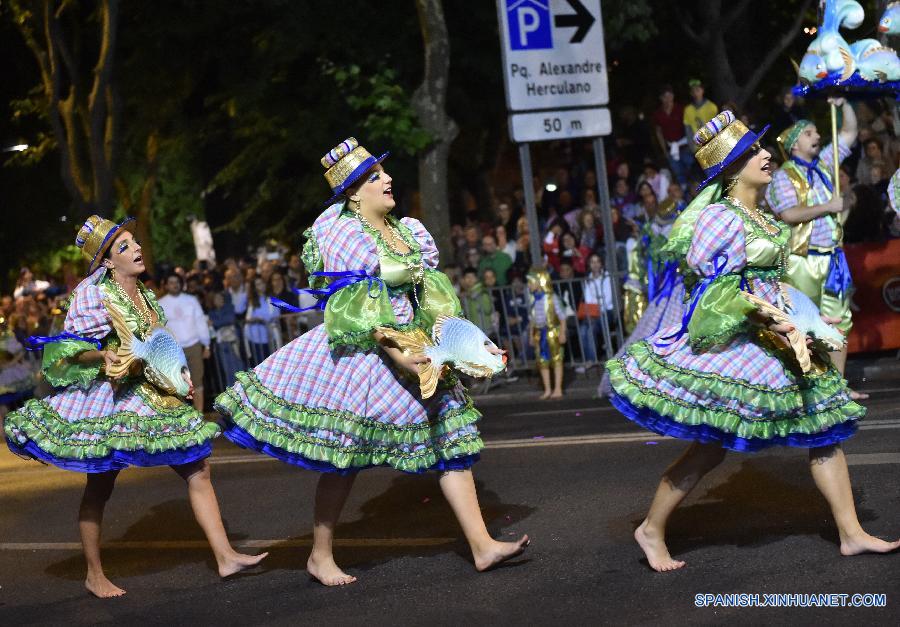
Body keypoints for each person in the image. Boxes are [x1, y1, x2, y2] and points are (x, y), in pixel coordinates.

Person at [213, 138, 528, 586]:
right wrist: (404, 358)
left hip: (416, 346)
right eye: (376, 177)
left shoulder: (408, 231)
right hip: (366, 352)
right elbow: (364, 313)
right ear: (354, 192)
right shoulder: (346, 235)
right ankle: (320, 556)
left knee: (450, 438)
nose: (388, 180)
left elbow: (435, 302)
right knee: (345, 456)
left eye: (384, 173)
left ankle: (482, 545)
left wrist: (467, 345)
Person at [605, 111, 898, 573]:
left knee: (823, 426)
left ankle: (852, 533)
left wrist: (806, 315)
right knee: (711, 443)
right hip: (742, 338)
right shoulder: (721, 218)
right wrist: (770, 316)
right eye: (754, 152)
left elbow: (770, 280)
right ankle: (651, 528)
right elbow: (718, 291)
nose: (766, 156)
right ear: (731, 168)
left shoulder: (757, 214)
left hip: (780, 330)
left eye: (762, 149)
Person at [4, 216, 265, 598]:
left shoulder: (142, 292)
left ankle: (225, 555)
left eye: (133, 241)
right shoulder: (93, 293)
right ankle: (94, 574)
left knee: (198, 466)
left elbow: (157, 341)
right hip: (114, 398)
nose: (137, 248)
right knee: (100, 483)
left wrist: (178, 378)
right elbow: (64, 349)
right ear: (108, 262)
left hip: (151, 393)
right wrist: (101, 355)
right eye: (124, 246)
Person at [765, 97, 863, 397]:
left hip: (832, 258)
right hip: (801, 260)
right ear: (794, 144)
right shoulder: (782, 176)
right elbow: (788, 214)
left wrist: (843, 103)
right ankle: (804, 388)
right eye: (809, 133)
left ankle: (837, 388)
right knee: (802, 324)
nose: (817, 135)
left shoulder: (825, 164)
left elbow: (849, 131)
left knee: (838, 321)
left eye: (816, 132)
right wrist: (827, 206)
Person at [159, 274, 211, 412]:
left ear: (181, 284)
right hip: (174, 350)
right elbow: (161, 329)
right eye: (171, 282)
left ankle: (199, 415)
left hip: (194, 345)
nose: (174, 285)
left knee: (198, 381)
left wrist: (206, 345)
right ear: (166, 285)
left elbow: (200, 322)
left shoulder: (191, 300)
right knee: (179, 384)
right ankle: (186, 417)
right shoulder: (161, 303)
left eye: (177, 282)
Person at [528, 268, 566, 399]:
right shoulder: (533, 299)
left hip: (551, 332)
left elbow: (562, 317)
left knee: (556, 359)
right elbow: (532, 320)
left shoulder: (551, 298)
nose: (529, 285)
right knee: (542, 361)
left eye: (531, 282)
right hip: (539, 333)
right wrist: (531, 335)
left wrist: (562, 333)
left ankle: (558, 388)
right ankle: (548, 389)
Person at [652, 85, 691, 185]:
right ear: (661, 98)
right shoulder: (658, 113)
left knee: (691, 171)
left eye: (670, 96)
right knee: (678, 174)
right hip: (671, 148)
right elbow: (658, 132)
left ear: (673, 96)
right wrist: (664, 150)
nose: (668, 99)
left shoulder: (681, 109)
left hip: (685, 145)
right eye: (665, 96)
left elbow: (689, 127)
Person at [244, 276, 280, 366]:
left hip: (270, 336)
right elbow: (248, 318)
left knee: (273, 364)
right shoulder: (252, 302)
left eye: (262, 283)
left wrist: (262, 318)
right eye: (258, 284)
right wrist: (255, 319)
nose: (261, 286)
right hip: (256, 338)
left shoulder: (272, 298)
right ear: (254, 288)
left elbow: (275, 315)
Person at [683, 79, 718, 144]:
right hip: (696, 145)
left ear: (703, 90)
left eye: (697, 90)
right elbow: (688, 130)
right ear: (690, 93)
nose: (695, 93)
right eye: (693, 91)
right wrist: (692, 146)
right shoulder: (687, 109)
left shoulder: (712, 107)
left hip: (712, 143)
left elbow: (716, 127)